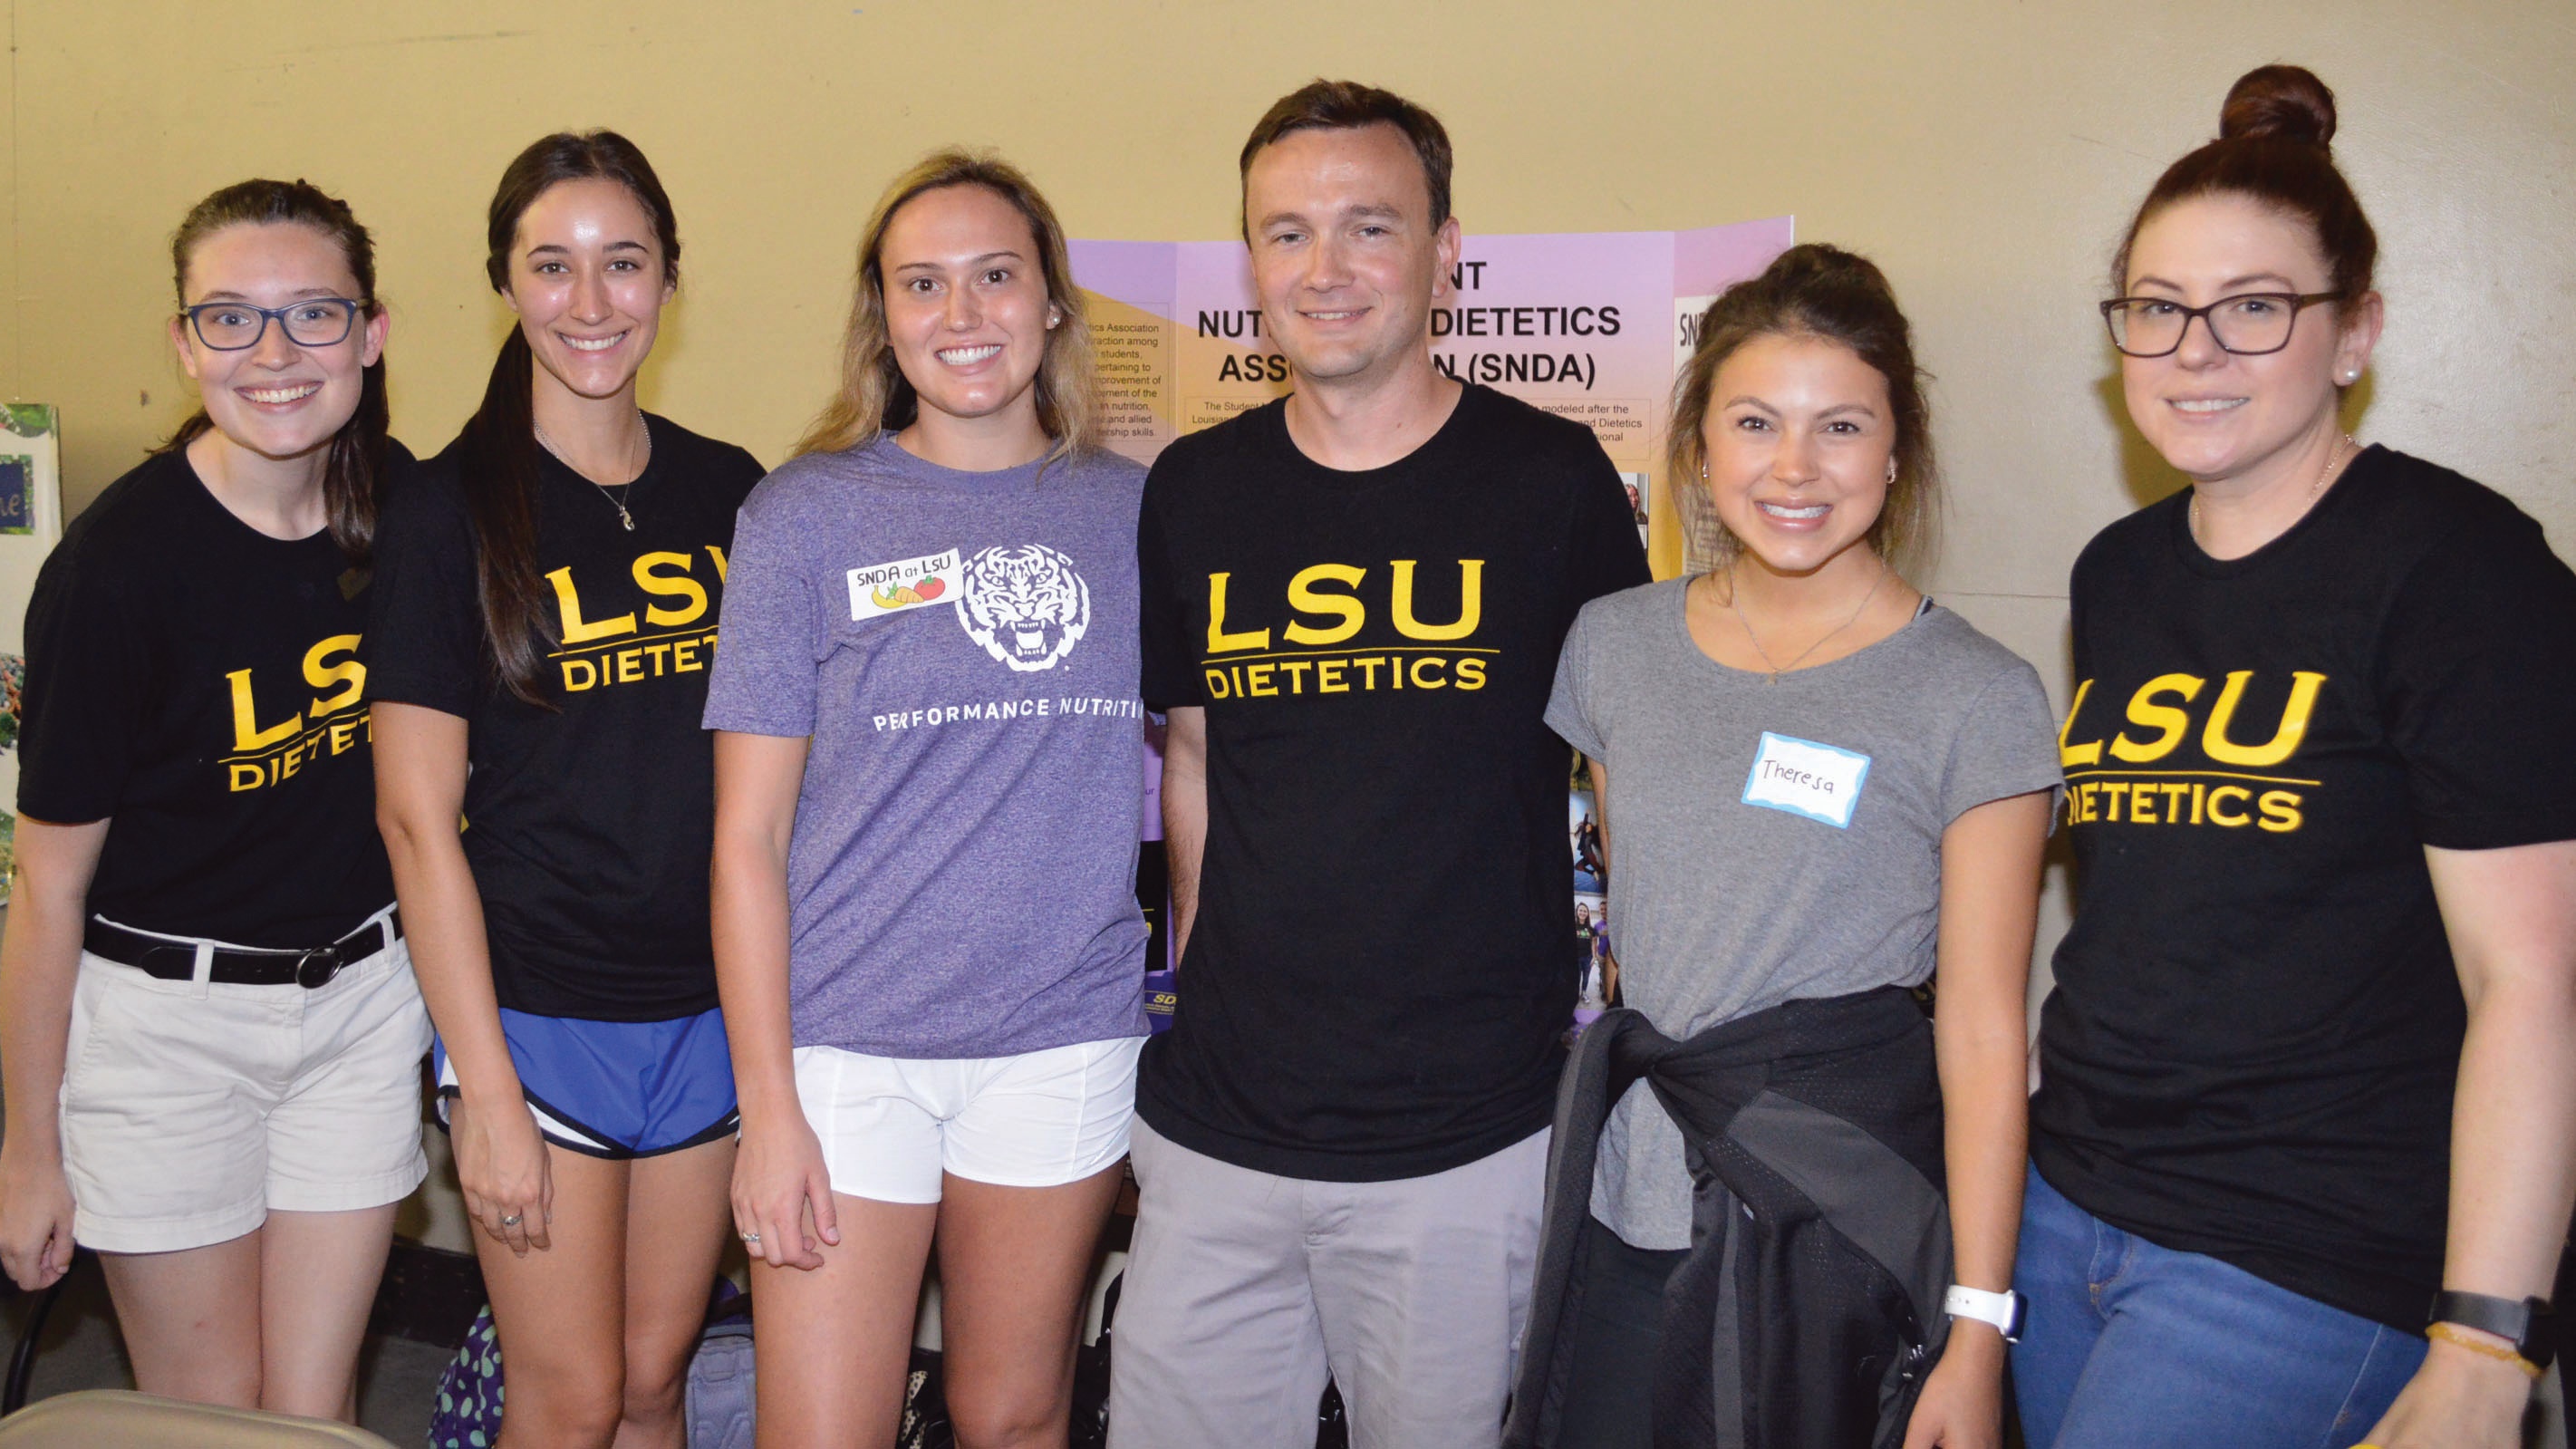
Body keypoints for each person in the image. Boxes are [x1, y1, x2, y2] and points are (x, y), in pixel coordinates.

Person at [2015, 65, 2576, 1449]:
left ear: (2353, 332)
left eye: (2254, 307)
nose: (2194, 350)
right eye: (2157, 308)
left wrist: (2487, 1341)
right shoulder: (2118, 572)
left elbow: (2533, 980)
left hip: (2308, 1251)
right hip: (2068, 1207)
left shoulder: (2459, 568)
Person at [1111, 80, 1652, 1449]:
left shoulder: (1553, 482)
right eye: (1287, 233)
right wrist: (1203, 984)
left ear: (1445, 250)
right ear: (1250, 263)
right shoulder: (1193, 489)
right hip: (1218, 1131)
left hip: (1463, 1145)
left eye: (1369, 226)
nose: (1327, 269)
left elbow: (1629, 776)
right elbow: (1196, 758)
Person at [1509, 244, 2058, 1449]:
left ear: (1898, 448)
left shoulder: (1976, 696)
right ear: (1702, 445)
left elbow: (1981, 1032)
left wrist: (1976, 1327)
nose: (1795, 468)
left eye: (1841, 427)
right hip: (1629, 1203)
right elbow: (1648, 921)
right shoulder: (1613, 648)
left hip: (1834, 1224)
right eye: (1755, 423)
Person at [706, 150, 1147, 1449]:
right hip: (846, 1049)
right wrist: (767, 1107)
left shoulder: (1138, 516)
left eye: (995, 276)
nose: (962, 315)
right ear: (883, 316)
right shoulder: (803, 516)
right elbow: (746, 840)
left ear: (1051, 302)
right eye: (923, 284)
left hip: (1060, 1037)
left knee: (1011, 1419)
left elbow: (1203, 767)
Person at [0, 178, 426, 1421]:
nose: (274, 354)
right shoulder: (116, 571)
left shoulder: (405, 511)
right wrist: (29, 1148)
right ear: (185, 344)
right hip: (166, 1038)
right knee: (212, 1416)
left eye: (314, 314)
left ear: (372, 334)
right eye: (230, 318)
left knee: (313, 1413)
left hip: (359, 1011)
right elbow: (47, 889)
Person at [366, 131, 763, 1448]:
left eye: (623, 263)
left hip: (709, 1007)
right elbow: (415, 821)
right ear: (506, 283)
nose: (590, 302)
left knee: (653, 1384)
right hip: (538, 1018)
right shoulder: (445, 511)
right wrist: (482, 1089)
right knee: (569, 1396)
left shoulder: (732, 490)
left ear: (670, 279)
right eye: (552, 266)